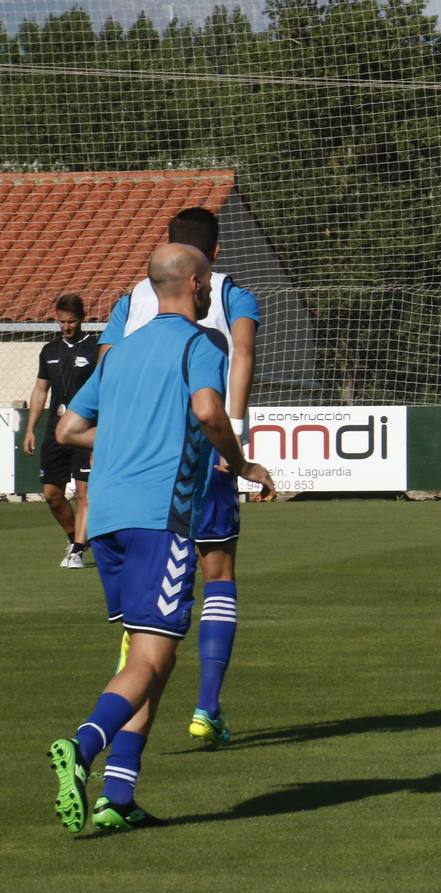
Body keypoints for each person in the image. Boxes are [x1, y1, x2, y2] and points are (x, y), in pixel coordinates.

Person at [46, 244, 274, 833]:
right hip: (160, 517)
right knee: (151, 654)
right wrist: (242, 464)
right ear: (197, 284)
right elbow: (207, 411)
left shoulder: (119, 353)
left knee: (152, 652)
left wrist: (123, 440)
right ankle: (84, 745)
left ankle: (118, 796)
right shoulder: (201, 345)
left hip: (108, 520)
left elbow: (70, 427)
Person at [100, 207, 261, 745]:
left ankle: (128, 713)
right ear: (211, 257)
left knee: (144, 603)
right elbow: (242, 349)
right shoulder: (230, 291)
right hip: (199, 452)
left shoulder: (131, 298)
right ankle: (206, 707)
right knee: (218, 574)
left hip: (130, 466)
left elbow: (106, 364)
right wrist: (232, 434)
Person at [22, 294, 99, 568]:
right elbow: (40, 389)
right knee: (52, 494)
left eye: (72, 321)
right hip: (56, 431)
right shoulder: (49, 350)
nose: (66, 326)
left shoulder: (96, 349)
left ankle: (78, 550)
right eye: (61, 322)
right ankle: (74, 538)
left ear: (82, 319)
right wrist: (30, 429)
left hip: (85, 430)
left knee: (83, 494)